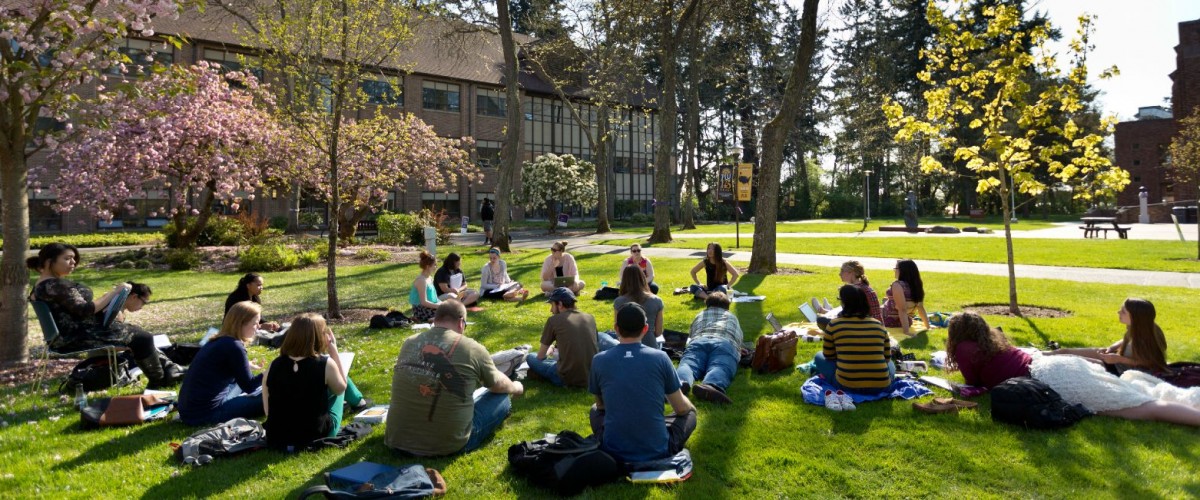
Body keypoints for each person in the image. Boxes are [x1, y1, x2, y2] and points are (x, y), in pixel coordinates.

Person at [27, 243, 184, 388]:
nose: (73, 262)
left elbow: (75, 310)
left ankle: (169, 373)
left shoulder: (46, 285)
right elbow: (85, 310)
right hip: (75, 336)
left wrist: (107, 303)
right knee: (143, 337)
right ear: (48, 261)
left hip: (73, 333)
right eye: (67, 258)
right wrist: (114, 292)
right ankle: (160, 381)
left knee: (136, 333)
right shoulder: (53, 285)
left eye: (74, 258)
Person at [386, 300, 525, 456]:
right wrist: (516, 387)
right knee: (503, 398)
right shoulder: (471, 348)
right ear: (461, 322)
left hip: (397, 440)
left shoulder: (409, 342)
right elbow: (498, 385)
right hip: (449, 444)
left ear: (435, 320)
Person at [589, 303, 696, 464]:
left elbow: (601, 405)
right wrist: (690, 407)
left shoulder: (599, 360)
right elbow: (680, 408)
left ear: (616, 328)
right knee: (689, 413)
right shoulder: (660, 358)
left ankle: (613, 438)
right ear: (645, 329)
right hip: (658, 450)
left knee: (594, 410)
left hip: (612, 450)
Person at [263, 313, 348, 451]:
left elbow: (268, 412)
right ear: (319, 337)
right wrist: (334, 352)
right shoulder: (325, 364)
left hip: (277, 437)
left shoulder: (274, 365)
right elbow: (340, 389)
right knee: (343, 381)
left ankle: (359, 401)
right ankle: (359, 402)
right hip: (315, 436)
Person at [178, 301, 265, 426]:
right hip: (206, 415)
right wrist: (269, 372)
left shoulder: (218, 340)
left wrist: (245, 364)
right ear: (241, 323)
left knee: (240, 383)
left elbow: (220, 368)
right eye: (255, 323)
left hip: (188, 412)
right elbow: (249, 386)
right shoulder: (234, 346)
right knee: (271, 393)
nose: (258, 326)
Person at [1042, 298, 1167, 376]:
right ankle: (1034, 355)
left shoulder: (1147, 336)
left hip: (1121, 371)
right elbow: (1126, 339)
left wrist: (1118, 359)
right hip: (1114, 361)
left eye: (1123, 311)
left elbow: (1150, 362)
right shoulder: (1138, 326)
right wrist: (1111, 348)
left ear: (1135, 316)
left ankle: (1034, 363)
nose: (1118, 312)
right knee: (1064, 352)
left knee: (1069, 359)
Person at [813, 285, 895, 393]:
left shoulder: (834, 325)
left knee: (819, 356)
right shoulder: (878, 325)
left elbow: (829, 356)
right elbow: (887, 358)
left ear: (844, 303)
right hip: (882, 386)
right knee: (891, 364)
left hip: (846, 385)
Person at [677, 292, 743, 404]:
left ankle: (679, 382)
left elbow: (692, 334)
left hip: (699, 341)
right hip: (724, 343)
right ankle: (712, 385)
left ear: (707, 304)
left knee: (688, 364)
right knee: (721, 366)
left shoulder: (700, 315)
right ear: (727, 306)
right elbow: (738, 338)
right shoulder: (732, 317)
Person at [526, 288, 599, 388]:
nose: (551, 310)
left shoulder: (553, 320)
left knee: (530, 357)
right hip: (591, 376)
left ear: (560, 304)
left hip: (565, 378)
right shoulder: (590, 317)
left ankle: (541, 374)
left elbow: (540, 356)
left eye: (552, 305)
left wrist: (550, 349)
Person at [944, 312, 1031, 388]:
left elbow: (971, 382)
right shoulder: (994, 338)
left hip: (1026, 379)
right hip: (1032, 364)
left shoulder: (963, 348)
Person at [612, 266, 664, 349]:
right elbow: (658, 332)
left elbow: (618, 332)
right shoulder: (656, 300)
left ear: (624, 280)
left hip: (625, 347)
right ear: (643, 278)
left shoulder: (619, 301)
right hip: (650, 346)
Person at [813, 261, 882, 323]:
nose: (839, 274)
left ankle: (825, 311)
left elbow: (850, 315)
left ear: (851, 272)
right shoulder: (864, 286)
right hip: (874, 325)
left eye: (842, 271)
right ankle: (827, 311)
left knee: (821, 320)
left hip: (863, 325)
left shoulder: (854, 290)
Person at [882, 259, 931, 336]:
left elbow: (902, 309)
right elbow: (920, 307)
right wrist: (928, 327)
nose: (894, 270)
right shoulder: (916, 285)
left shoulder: (897, 285)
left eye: (896, 268)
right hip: (907, 321)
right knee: (885, 299)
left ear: (903, 271)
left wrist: (906, 332)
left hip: (888, 320)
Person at [409, 250, 441, 322]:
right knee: (449, 313)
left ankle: (435, 318)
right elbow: (424, 302)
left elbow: (434, 298)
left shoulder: (429, 278)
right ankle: (433, 319)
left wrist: (441, 304)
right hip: (421, 309)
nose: (436, 267)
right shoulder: (421, 281)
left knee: (451, 309)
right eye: (434, 265)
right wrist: (439, 306)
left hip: (430, 306)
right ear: (427, 266)